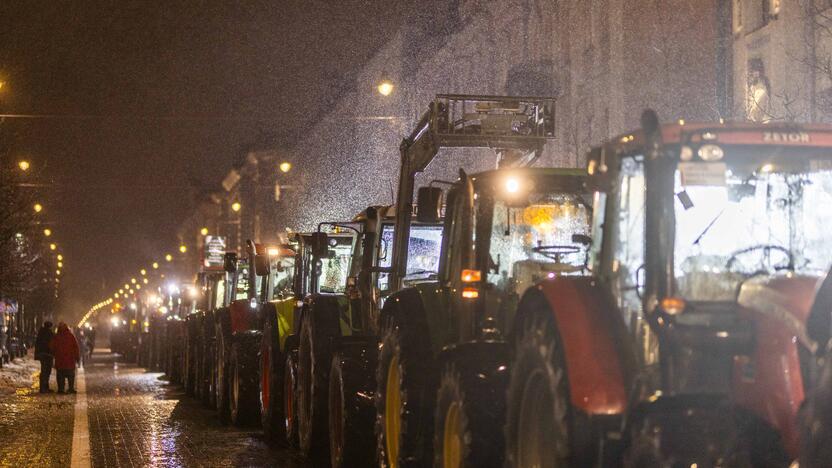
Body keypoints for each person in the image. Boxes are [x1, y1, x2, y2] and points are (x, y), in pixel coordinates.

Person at [49, 323, 80, 394]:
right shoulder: (71, 336)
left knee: (60, 376)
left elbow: (51, 347)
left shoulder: (56, 337)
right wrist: (77, 357)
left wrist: (54, 353)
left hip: (60, 361)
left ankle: (61, 389)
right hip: (70, 360)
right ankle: (71, 388)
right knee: (71, 375)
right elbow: (76, 347)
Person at [34, 321, 55, 393]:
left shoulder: (41, 332)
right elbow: (52, 344)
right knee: (46, 371)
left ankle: (44, 387)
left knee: (44, 370)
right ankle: (44, 388)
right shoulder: (49, 333)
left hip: (42, 354)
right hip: (47, 354)